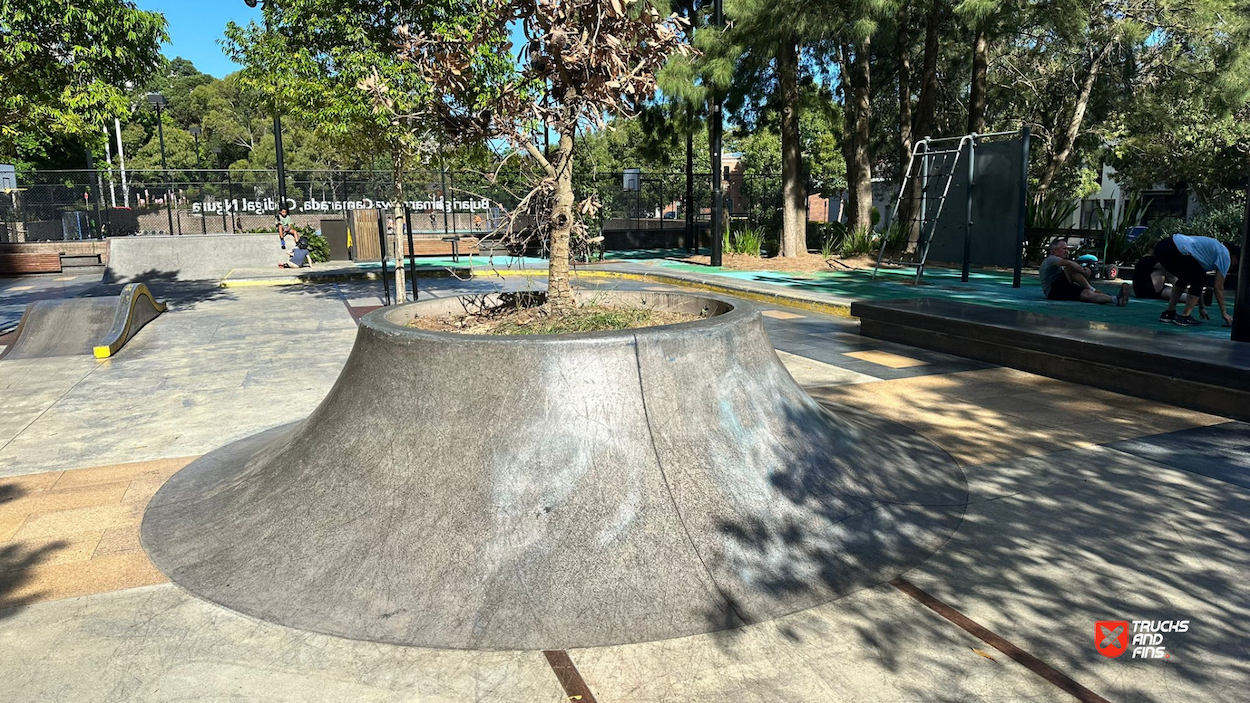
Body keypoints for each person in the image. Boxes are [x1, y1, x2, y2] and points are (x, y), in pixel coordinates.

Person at [1154, 234, 1240, 327]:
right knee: (1199, 276)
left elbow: (1197, 284)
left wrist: (1201, 307)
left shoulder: (1208, 254)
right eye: (1236, 263)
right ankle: (1185, 316)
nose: (1233, 266)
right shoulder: (1225, 255)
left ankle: (1169, 313)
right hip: (1176, 248)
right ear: (1235, 256)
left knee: (1186, 277)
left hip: (1162, 247)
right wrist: (1224, 313)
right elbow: (1218, 287)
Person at [1039, 239, 1130, 306]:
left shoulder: (1058, 262)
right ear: (1054, 250)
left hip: (1061, 289)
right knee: (1071, 267)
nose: (1067, 251)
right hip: (1053, 291)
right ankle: (1092, 289)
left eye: (1067, 249)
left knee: (1086, 294)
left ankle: (1115, 299)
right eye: (1064, 249)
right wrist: (1083, 271)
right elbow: (1070, 264)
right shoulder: (1051, 259)